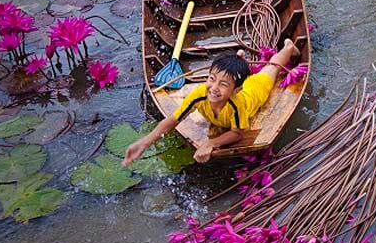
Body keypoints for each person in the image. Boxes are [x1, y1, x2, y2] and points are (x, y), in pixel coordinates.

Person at [122, 38, 300, 165]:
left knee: (272, 68)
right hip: (238, 84)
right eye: (211, 78)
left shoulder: (237, 104)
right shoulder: (200, 94)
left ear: (236, 90)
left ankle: (288, 47)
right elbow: (173, 120)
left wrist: (211, 143)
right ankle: (238, 61)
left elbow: (237, 134)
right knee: (234, 73)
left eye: (223, 84)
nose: (214, 88)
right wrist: (145, 141)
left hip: (255, 91)